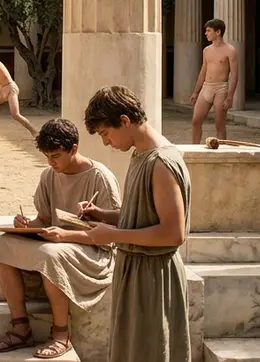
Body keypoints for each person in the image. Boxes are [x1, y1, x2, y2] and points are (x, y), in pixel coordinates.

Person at [0, 118, 121, 358]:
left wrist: (67, 236)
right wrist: (26, 225)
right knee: (3, 245)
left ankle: (61, 334)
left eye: (56, 156)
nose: (51, 162)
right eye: (47, 156)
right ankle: (20, 328)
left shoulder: (100, 177)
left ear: (74, 149)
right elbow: (44, 219)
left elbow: (109, 237)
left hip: (92, 250)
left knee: (51, 255)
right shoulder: (49, 175)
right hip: (57, 242)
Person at [78, 85, 192, 362]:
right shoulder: (140, 155)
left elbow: (173, 233)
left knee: (150, 352)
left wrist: (113, 235)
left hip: (153, 277)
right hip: (137, 272)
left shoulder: (161, 163)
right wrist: (102, 215)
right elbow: (142, 218)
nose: (106, 142)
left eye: (106, 133)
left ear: (125, 121)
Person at [191, 18, 237, 144]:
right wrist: (196, 92)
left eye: (208, 31)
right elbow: (203, 71)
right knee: (196, 120)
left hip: (220, 89)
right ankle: (194, 149)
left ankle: (222, 151)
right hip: (206, 87)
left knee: (219, 123)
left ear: (218, 32)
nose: (206, 33)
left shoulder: (230, 50)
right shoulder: (206, 50)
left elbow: (234, 75)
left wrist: (230, 96)